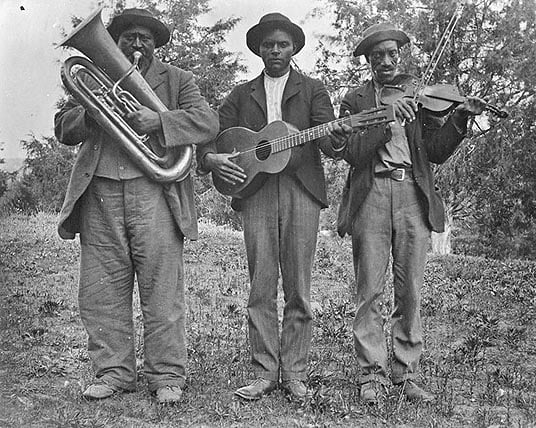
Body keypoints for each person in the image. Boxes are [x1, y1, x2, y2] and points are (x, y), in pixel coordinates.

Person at [55, 8, 218, 403]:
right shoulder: (94, 73)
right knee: (102, 291)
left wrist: (158, 122)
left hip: (155, 194)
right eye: (129, 37)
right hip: (100, 195)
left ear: (156, 44)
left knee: (162, 290)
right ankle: (113, 373)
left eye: (145, 37)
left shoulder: (178, 80)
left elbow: (207, 122)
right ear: (116, 41)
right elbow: (63, 127)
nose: (137, 44)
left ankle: (166, 377)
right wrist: (92, 114)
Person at [327, 23, 486, 404]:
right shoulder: (355, 100)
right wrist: (385, 116)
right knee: (369, 290)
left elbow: (436, 151)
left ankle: (405, 373)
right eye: (377, 55)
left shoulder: (418, 96)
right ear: (368, 61)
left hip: (413, 195)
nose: (386, 61)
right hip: (373, 194)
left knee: (410, 289)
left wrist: (460, 118)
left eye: (392, 54)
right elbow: (351, 153)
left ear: (400, 56)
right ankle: (371, 375)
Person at [196, 13, 344, 401]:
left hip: (301, 190)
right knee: (261, 285)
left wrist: (339, 136)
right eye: (268, 45)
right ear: (259, 50)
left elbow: (328, 142)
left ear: (293, 48)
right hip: (256, 189)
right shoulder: (241, 95)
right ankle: (264, 371)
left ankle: (294, 372)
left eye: (282, 44)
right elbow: (212, 134)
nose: (275, 50)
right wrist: (210, 158)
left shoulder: (313, 90)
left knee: (298, 287)